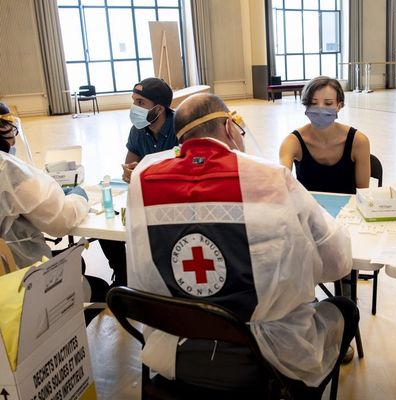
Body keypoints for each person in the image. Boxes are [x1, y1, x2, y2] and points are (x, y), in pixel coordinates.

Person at [126, 93, 359, 397]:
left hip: (176, 349)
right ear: (228, 126)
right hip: (265, 357)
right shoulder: (269, 176)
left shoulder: (142, 179)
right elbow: (336, 261)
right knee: (345, 309)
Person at [0, 104, 108, 324]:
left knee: (76, 263)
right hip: (19, 284)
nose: (13, 138)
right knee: (100, 289)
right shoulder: (9, 170)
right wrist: (78, 196)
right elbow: (61, 220)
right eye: (10, 129)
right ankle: (61, 338)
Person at [99, 77, 178, 287]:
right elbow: (130, 167)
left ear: (159, 109)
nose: (135, 108)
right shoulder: (138, 129)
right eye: (134, 101)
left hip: (177, 200)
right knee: (105, 228)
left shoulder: (181, 127)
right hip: (148, 195)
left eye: (141, 103)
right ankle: (122, 272)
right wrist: (127, 173)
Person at [279, 76, 371, 194]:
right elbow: (282, 183)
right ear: (306, 105)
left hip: (348, 210)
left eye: (328, 103)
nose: (320, 108)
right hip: (309, 210)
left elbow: (363, 194)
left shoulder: (358, 141)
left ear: (339, 106)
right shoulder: (292, 142)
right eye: (313, 103)